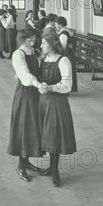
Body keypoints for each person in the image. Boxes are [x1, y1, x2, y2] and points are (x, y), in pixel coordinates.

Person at [37, 32, 77, 187]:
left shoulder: (63, 60)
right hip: (42, 101)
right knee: (45, 134)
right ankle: (50, 166)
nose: (41, 46)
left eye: (44, 44)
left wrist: (52, 87)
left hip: (56, 102)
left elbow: (68, 85)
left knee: (54, 135)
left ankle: (55, 171)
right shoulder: (44, 59)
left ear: (52, 45)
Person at [7, 29, 46, 181]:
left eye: (34, 39)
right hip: (25, 93)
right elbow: (24, 74)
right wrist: (37, 83)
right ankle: (21, 165)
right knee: (23, 127)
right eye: (29, 40)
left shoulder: (34, 52)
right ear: (22, 40)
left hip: (36, 93)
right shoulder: (18, 54)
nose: (32, 42)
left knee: (33, 127)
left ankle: (27, 161)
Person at [56, 16, 78, 93]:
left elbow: (63, 46)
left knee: (66, 71)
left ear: (60, 24)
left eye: (56, 24)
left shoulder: (63, 34)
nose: (55, 26)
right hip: (68, 53)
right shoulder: (66, 31)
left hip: (66, 54)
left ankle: (67, 88)